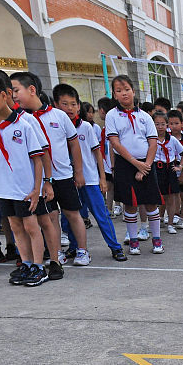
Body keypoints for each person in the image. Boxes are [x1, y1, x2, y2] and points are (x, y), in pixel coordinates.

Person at [0, 69, 49, 286]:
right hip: (3, 188)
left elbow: (38, 159)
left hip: (24, 188)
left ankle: (40, 267)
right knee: (14, 227)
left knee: (32, 227)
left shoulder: (24, 124)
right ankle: (27, 263)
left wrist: (37, 188)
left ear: (5, 95)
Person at [12, 72, 87, 271]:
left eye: (16, 90)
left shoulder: (59, 115)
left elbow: (74, 144)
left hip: (63, 175)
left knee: (73, 214)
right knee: (51, 217)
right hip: (41, 179)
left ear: (32, 89)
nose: (14, 96)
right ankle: (57, 253)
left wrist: (78, 172)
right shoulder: (22, 119)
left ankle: (82, 250)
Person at [55, 83, 117, 264]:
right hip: (67, 180)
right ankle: (75, 249)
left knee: (101, 214)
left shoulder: (86, 128)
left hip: (89, 179)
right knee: (70, 217)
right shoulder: (55, 127)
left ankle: (115, 247)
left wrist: (102, 178)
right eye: (65, 104)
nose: (70, 108)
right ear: (56, 105)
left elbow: (98, 153)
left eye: (73, 104)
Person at [105, 75, 161, 255]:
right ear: (114, 95)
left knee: (151, 203)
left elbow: (153, 142)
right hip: (125, 164)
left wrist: (146, 165)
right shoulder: (111, 115)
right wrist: (136, 164)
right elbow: (115, 143)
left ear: (133, 91)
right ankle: (134, 240)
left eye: (127, 89)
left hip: (147, 164)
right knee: (130, 204)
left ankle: (157, 240)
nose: (124, 94)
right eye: (119, 91)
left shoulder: (145, 116)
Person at [152, 110, 183, 237]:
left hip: (169, 169)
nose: (160, 127)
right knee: (155, 198)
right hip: (155, 168)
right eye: (157, 124)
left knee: (171, 198)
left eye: (162, 124)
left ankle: (170, 224)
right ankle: (154, 222)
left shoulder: (172, 140)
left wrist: (180, 167)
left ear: (167, 125)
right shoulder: (151, 139)